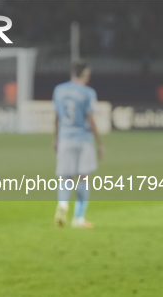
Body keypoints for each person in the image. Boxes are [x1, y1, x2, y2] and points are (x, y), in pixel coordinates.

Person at [52, 60, 104, 229]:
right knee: (84, 177)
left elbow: (56, 117)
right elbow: (91, 119)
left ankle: (62, 204)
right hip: (83, 139)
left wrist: (56, 138)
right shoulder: (88, 92)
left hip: (65, 138)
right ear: (85, 75)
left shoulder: (59, 90)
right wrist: (100, 143)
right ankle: (79, 218)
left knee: (66, 177)